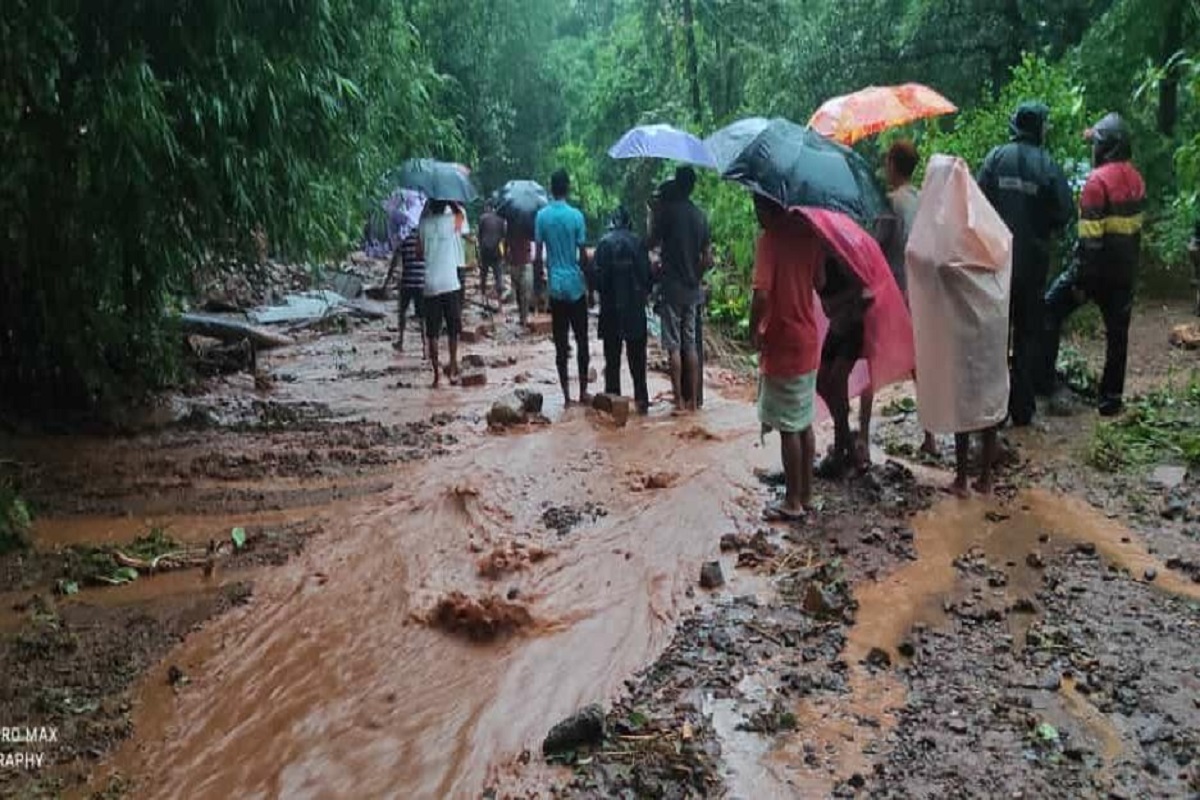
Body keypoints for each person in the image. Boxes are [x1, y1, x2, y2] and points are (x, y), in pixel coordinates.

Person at [977, 101, 1075, 427]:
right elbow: (1064, 213)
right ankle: (1022, 409)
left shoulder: (994, 159)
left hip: (996, 263)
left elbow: (975, 205)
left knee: (994, 336)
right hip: (1033, 265)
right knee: (1026, 336)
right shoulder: (1048, 165)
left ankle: (992, 410)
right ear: (1039, 128)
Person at [1042, 113, 1146, 417]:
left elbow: (1090, 241)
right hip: (1124, 272)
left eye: (1096, 143)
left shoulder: (1096, 182)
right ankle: (1111, 400)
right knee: (1118, 337)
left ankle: (1045, 381)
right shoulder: (1137, 179)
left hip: (1094, 273)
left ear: (1107, 147)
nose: (1093, 149)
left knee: (1050, 308)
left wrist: (1079, 281)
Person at [750, 195, 823, 522]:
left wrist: (755, 329)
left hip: (782, 341)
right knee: (804, 420)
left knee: (787, 427)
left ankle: (792, 500)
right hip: (808, 339)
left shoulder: (770, 241)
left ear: (766, 207)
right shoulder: (808, 233)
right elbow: (820, 281)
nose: (756, 216)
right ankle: (807, 494)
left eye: (756, 208)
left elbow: (761, 293)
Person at [874, 139, 937, 456]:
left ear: (892, 165)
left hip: (891, 291)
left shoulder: (890, 204)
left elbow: (875, 247)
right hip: (919, 293)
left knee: (870, 357)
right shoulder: (922, 199)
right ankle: (931, 436)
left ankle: (858, 437)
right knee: (919, 366)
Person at [648, 166, 712, 413]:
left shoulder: (668, 214)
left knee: (673, 346)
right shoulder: (700, 216)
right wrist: (696, 276)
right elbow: (707, 258)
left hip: (672, 289)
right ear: (693, 186)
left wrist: (654, 216)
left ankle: (679, 401)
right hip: (692, 290)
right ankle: (694, 401)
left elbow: (652, 241)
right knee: (691, 345)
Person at [534, 169, 591, 405]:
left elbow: (537, 256)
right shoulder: (576, 216)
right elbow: (583, 255)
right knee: (582, 340)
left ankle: (566, 395)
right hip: (576, 286)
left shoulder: (542, 217)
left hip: (556, 287)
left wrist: (539, 286)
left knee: (560, 342)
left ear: (551, 188)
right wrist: (591, 287)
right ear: (567, 188)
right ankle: (583, 391)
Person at [815, 255, 873, 477]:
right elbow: (824, 299)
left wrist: (842, 303)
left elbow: (866, 292)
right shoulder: (816, 258)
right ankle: (847, 441)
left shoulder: (841, 258)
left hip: (852, 328)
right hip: (837, 327)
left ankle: (843, 450)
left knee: (836, 382)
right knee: (822, 383)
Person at [594, 206, 652, 414]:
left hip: (610, 311)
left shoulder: (603, 244)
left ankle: (613, 405)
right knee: (638, 363)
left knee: (612, 362)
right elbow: (648, 278)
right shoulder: (638, 243)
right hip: (635, 310)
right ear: (629, 224)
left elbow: (597, 280)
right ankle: (642, 403)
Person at [419, 200, 464, 388]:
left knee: (433, 333)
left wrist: (424, 212)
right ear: (443, 205)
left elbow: (418, 253)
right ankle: (453, 368)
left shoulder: (423, 224)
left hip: (431, 284)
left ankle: (437, 375)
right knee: (453, 329)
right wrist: (452, 202)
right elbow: (461, 216)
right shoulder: (451, 220)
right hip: (450, 282)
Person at [391, 230, 426, 354]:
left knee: (402, 312)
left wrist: (388, 281)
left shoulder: (404, 239)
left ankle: (400, 341)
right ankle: (425, 346)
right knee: (422, 316)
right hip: (422, 282)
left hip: (407, 282)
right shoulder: (424, 240)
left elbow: (396, 261)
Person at [478, 201, 507, 300]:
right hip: (496, 251)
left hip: (485, 250)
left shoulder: (482, 218)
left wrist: (480, 247)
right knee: (498, 274)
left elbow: (480, 235)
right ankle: (500, 297)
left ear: (489, 207)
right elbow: (504, 237)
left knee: (484, 273)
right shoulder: (501, 220)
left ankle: (482, 293)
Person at [506, 226, 535, 326]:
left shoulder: (527, 230)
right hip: (516, 264)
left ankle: (524, 317)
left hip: (525, 264)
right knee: (519, 292)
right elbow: (506, 248)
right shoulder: (509, 231)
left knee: (525, 293)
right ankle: (522, 316)